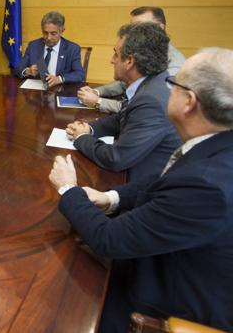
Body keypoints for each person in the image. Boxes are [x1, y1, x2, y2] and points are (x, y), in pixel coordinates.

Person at [49, 47, 233, 332]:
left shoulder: (208, 186)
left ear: (190, 102)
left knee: (57, 301)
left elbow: (109, 240)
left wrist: (67, 189)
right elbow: (166, 181)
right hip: (164, 259)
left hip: (161, 303)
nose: (164, 89)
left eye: (173, 84)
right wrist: (111, 197)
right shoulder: (215, 146)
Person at [65, 23, 181, 182]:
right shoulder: (151, 83)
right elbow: (122, 118)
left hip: (142, 187)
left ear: (130, 61)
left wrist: (81, 138)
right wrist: (90, 128)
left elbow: (116, 158)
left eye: (116, 54)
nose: (111, 60)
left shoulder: (151, 100)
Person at [78, 6, 186, 113]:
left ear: (160, 28)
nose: (132, 33)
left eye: (140, 27)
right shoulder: (145, 50)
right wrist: (97, 92)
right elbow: (126, 82)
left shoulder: (175, 66)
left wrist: (98, 101)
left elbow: (146, 108)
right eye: (132, 27)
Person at [12, 11, 85, 87]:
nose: (49, 38)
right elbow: (18, 68)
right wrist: (28, 71)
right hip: (36, 92)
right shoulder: (33, 46)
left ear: (62, 31)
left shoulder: (72, 49)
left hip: (60, 91)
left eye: (53, 33)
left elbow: (80, 74)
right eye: (45, 33)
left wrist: (59, 79)